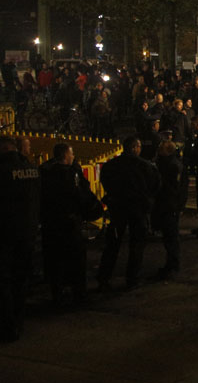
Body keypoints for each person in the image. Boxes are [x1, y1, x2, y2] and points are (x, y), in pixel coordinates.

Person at [40, 143, 102, 306]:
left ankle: (57, 294)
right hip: (69, 223)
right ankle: (79, 294)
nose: (74, 156)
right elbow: (80, 196)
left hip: (51, 224)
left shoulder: (45, 172)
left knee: (55, 261)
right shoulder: (70, 174)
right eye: (72, 154)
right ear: (66, 156)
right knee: (76, 260)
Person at [97, 136, 160, 291]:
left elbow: (104, 180)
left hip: (118, 208)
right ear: (135, 148)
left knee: (112, 244)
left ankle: (104, 277)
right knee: (137, 245)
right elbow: (156, 185)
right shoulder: (145, 166)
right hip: (137, 209)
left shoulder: (112, 165)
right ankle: (132, 278)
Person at [0, 136, 41, 342]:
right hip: (28, 232)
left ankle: (8, 325)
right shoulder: (32, 169)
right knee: (21, 279)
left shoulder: (3, 171)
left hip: (6, 234)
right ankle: (19, 321)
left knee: (4, 280)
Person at [152, 140, 185, 280]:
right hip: (166, 204)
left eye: (162, 149)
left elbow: (176, 188)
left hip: (169, 205)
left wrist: (178, 206)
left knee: (171, 237)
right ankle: (170, 264)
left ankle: (173, 265)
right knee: (168, 236)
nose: (159, 150)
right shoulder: (165, 163)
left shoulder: (172, 166)